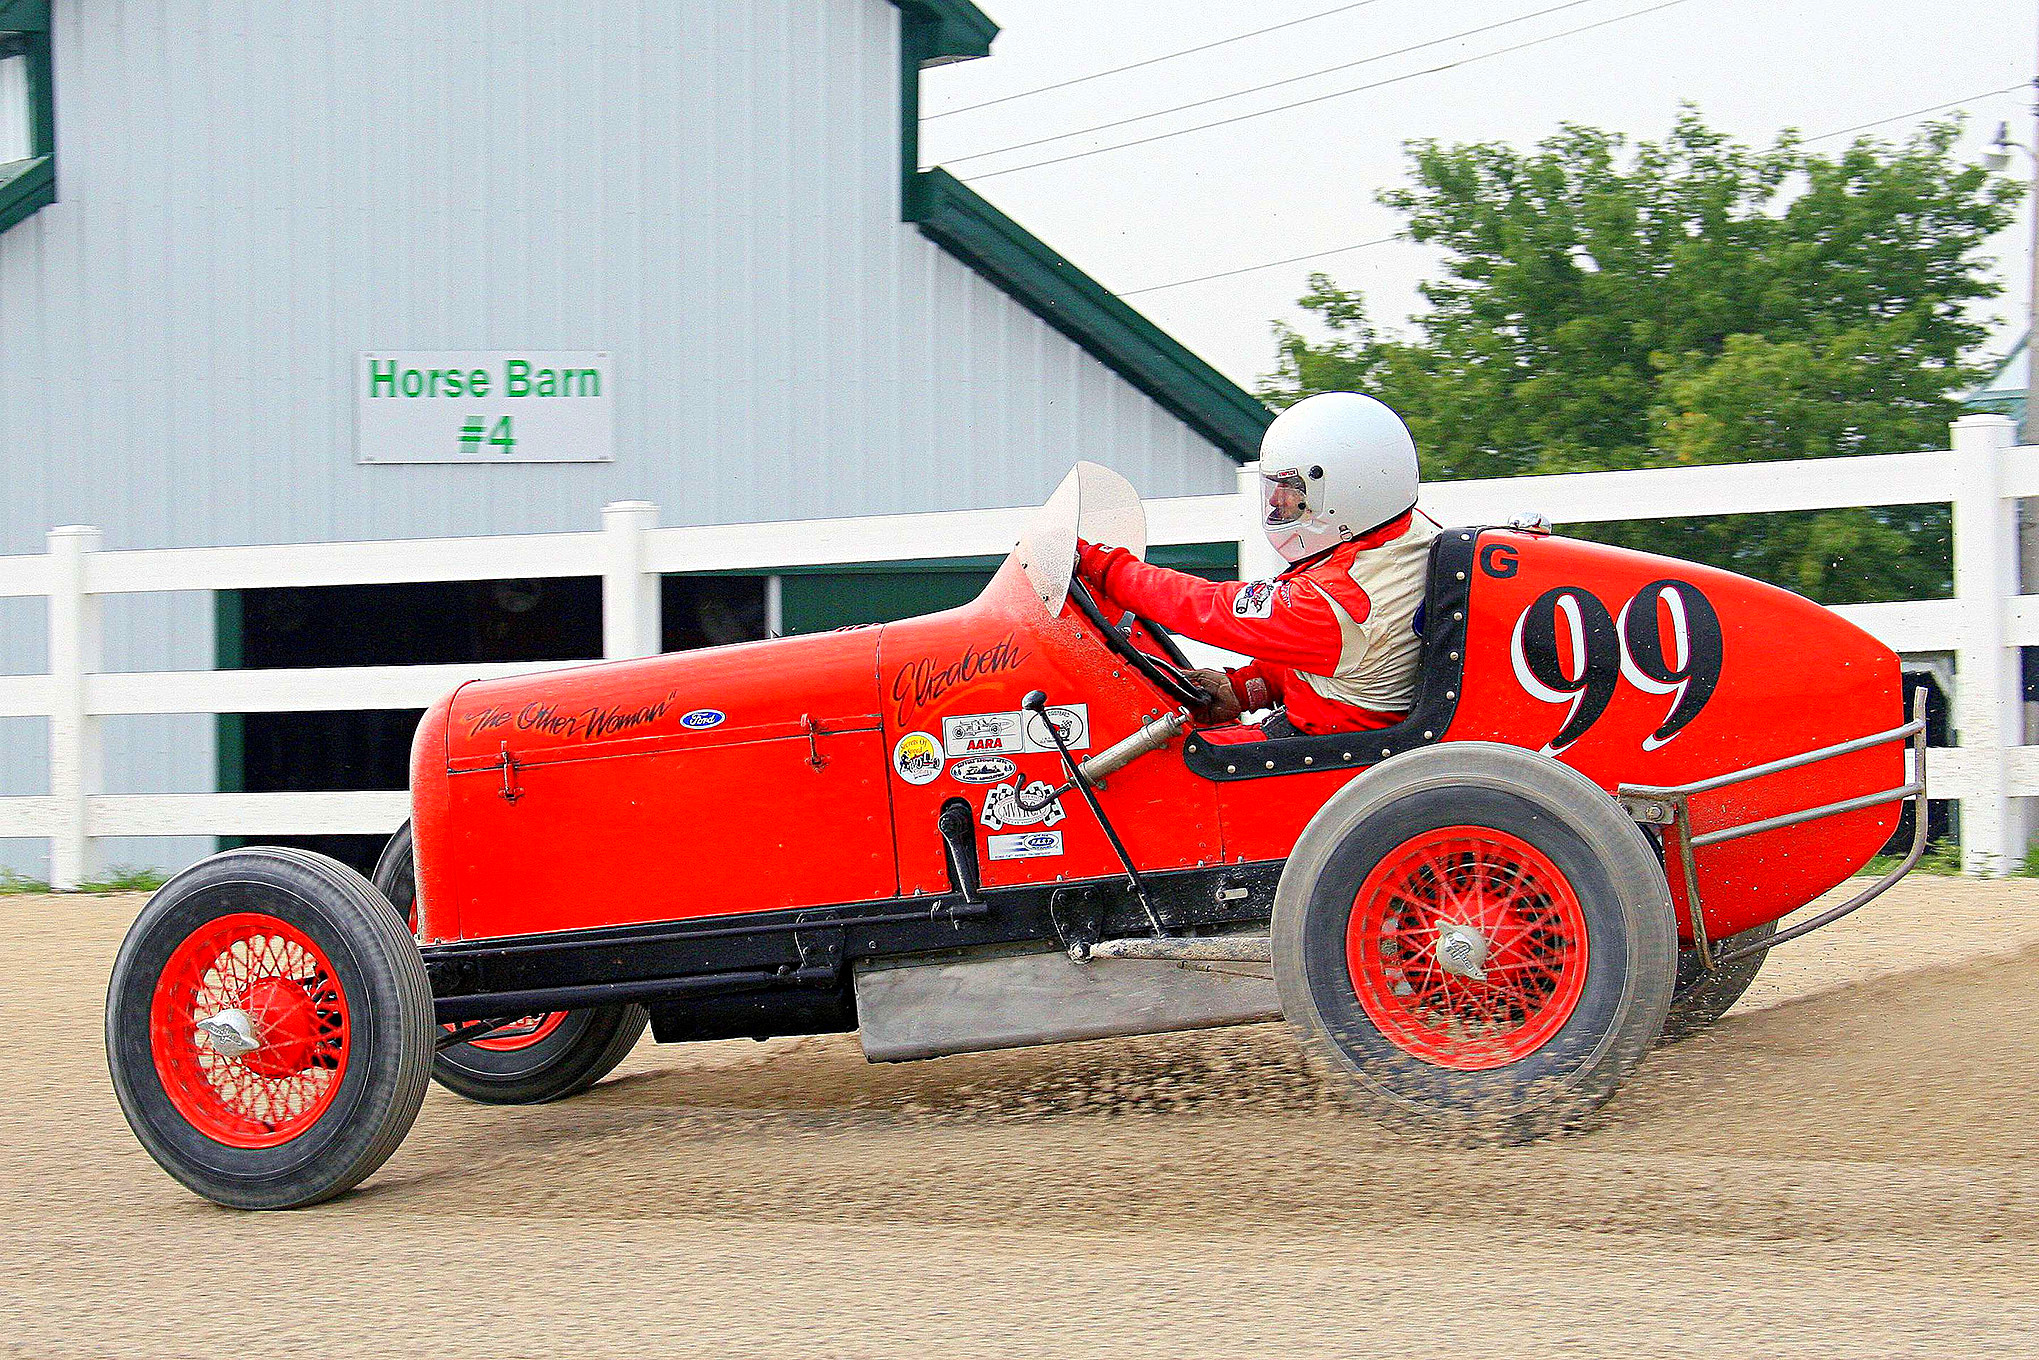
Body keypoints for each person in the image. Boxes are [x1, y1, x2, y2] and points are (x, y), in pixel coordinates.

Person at [1076, 392, 1438, 737]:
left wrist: (1102, 565)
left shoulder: (1335, 601)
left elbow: (1205, 607)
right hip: (1349, 737)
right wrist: (1246, 689)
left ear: (1349, 488)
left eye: (1293, 488)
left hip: (1328, 756)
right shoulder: (1407, 540)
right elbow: (1343, 662)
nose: (1278, 501)